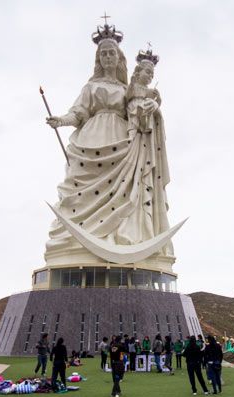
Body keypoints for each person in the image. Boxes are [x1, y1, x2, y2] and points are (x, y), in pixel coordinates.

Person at [44, 25, 175, 270]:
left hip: (121, 142)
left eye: (111, 53)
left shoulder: (128, 90)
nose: (107, 57)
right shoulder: (90, 87)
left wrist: (152, 109)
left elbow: (137, 116)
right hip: (91, 139)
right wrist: (60, 120)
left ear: (119, 58)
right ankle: (76, 243)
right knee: (80, 190)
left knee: (123, 191)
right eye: (103, 54)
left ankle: (119, 237)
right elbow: (78, 113)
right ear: (98, 59)